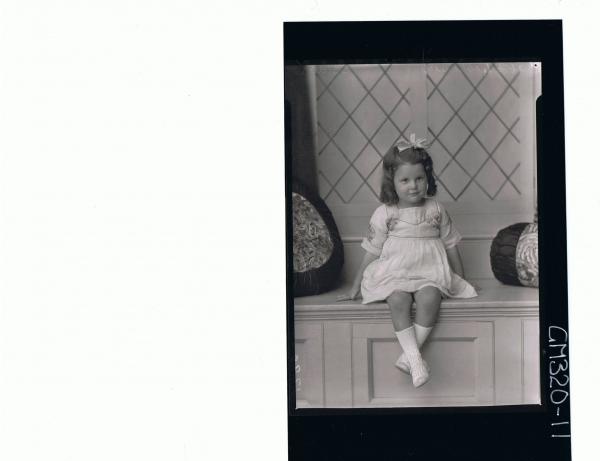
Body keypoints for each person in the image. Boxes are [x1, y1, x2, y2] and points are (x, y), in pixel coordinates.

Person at [337, 135, 477, 388]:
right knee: (398, 298)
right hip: (395, 272)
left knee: (430, 296)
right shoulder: (385, 213)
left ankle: (409, 357)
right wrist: (355, 286)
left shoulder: (436, 209)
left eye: (419, 178)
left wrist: (460, 278)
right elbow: (372, 250)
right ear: (392, 182)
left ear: (428, 178)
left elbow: (451, 244)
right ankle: (415, 359)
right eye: (405, 180)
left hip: (428, 271)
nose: (413, 186)